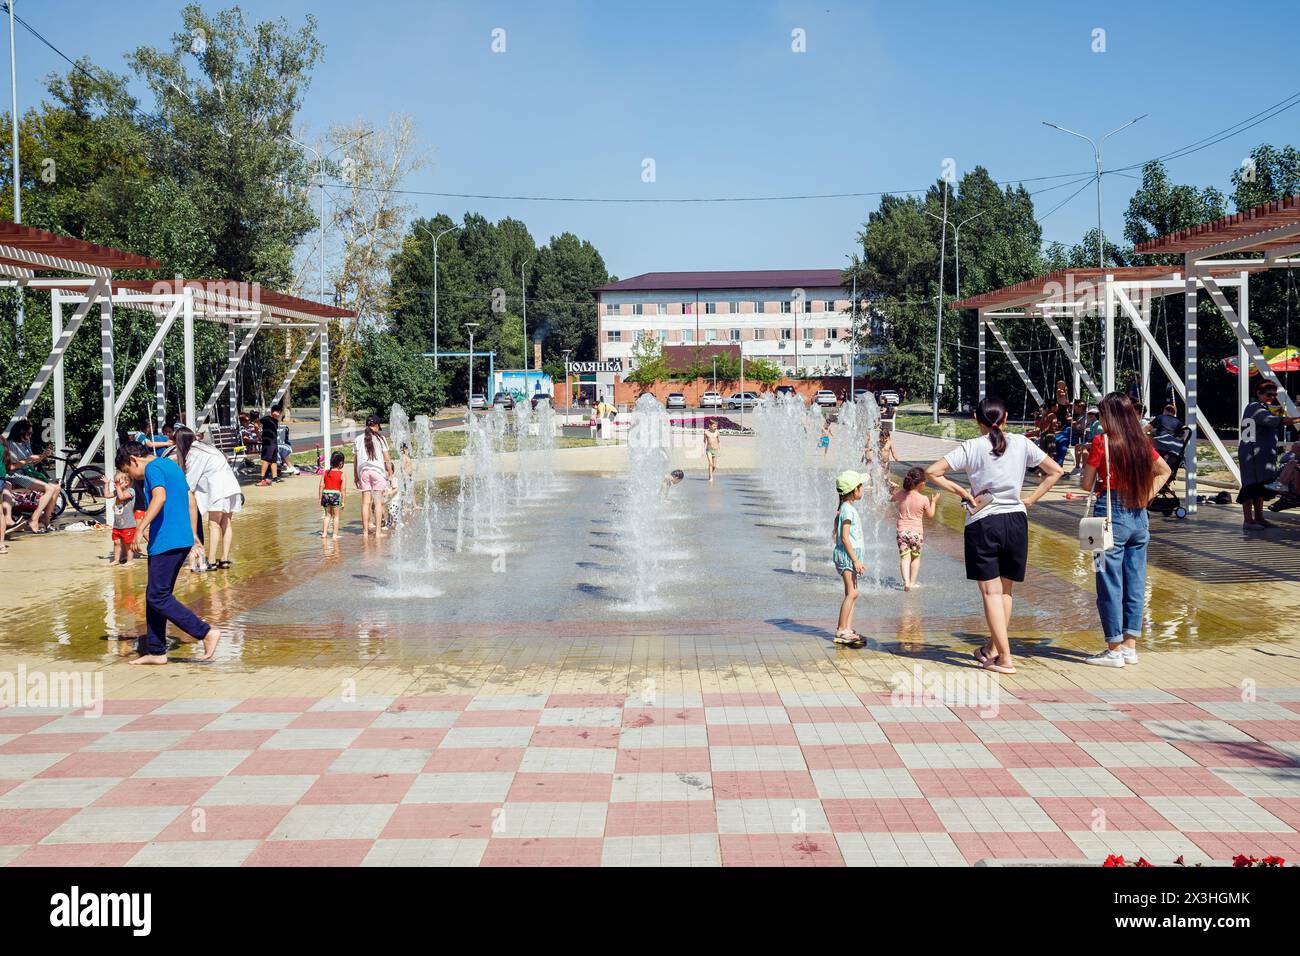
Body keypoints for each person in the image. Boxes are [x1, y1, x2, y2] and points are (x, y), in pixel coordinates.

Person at [925, 397, 1064, 675]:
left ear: (977, 420)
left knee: (990, 593)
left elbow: (932, 472)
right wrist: (1031, 499)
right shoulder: (1022, 443)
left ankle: (1006, 658)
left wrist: (963, 493)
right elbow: (1056, 471)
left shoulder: (972, 447)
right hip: (1016, 521)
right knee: (1005, 592)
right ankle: (991, 649)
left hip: (984, 522)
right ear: (1007, 417)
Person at [1080, 392, 1171, 667]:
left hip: (1108, 515)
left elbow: (1086, 485)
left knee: (1107, 581)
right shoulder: (1143, 443)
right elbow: (1164, 471)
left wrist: (1089, 462)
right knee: (1135, 581)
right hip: (1139, 516)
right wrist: (1147, 496)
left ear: (1111, 416)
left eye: (1102, 414)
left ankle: (1113, 649)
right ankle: (1130, 646)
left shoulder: (1102, 442)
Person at [114, 440, 221, 665]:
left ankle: (205, 632)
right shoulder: (170, 465)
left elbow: (160, 497)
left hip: (167, 540)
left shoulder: (153, 468)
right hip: (179, 538)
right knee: (155, 595)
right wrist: (192, 535)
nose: (132, 477)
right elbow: (190, 500)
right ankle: (156, 651)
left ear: (133, 460)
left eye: (128, 471)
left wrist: (140, 527)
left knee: (157, 596)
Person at [173, 426, 243, 571]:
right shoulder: (207, 447)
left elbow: (190, 482)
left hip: (218, 490)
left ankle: (210, 562)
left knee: (214, 525)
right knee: (227, 523)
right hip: (231, 487)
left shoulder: (194, 453)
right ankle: (224, 559)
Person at [1238, 379, 1298, 530]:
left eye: (1274, 395)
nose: (1272, 397)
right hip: (1251, 454)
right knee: (1250, 486)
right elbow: (1276, 421)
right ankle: (1248, 520)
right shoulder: (1255, 407)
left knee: (1260, 487)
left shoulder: (1263, 407)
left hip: (1261, 455)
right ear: (1258, 393)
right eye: (1268, 394)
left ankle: (1259, 518)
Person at [3, 419, 60, 535]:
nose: (30, 436)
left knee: (56, 487)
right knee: (50, 488)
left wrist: (43, 456)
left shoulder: (26, 443)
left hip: (27, 472)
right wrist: (27, 460)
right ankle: (34, 519)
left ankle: (46, 519)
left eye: (31, 434)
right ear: (20, 432)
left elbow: (31, 462)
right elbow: (10, 468)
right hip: (15, 475)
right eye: (28, 433)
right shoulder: (9, 445)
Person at [831, 470, 867, 647]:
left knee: (852, 594)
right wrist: (855, 560)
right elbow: (845, 538)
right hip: (847, 556)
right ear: (854, 490)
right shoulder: (847, 510)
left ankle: (848, 628)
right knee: (852, 593)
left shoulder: (847, 508)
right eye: (861, 486)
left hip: (850, 555)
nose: (863, 489)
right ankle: (840, 629)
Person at [892, 466, 936, 592]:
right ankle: (912, 582)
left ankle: (905, 581)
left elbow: (890, 499)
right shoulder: (924, 499)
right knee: (915, 558)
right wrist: (933, 502)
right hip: (916, 533)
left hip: (902, 532)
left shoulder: (900, 494)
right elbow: (931, 515)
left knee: (904, 558)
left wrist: (892, 491)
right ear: (921, 484)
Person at [354, 415, 393, 537]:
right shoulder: (381, 439)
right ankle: (378, 532)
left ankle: (365, 532)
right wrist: (390, 474)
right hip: (377, 472)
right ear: (376, 426)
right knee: (377, 503)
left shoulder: (358, 439)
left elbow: (355, 460)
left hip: (363, 472)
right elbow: (387, 459)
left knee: (365, 503)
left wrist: (356, 476)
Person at [107, 471, 137, 566]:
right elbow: (107, 495)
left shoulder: (131, 491)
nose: (116, 485)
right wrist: (106, 484)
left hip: (128, 524)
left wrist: (118, 488)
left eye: (118, 482)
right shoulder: (118, 491)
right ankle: (116, 559)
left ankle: (130, 560)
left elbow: (121, 497)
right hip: (117, 524)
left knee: (128, 543)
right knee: (116, 542)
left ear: (127, 482)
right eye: (115, 482)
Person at [319, 450, 346, 538]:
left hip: (325, 494)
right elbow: (343, 489)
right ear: (341, 463)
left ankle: (324, 533)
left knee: (327, 515)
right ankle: (335, 535)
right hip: (335, 495)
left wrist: (320, 498)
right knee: (336, 516)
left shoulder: (326, 472)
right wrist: (343, 501)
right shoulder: (342, 474)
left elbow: (321, 485)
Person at [257, 404, 283, 486]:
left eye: (279, 412)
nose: (278, 414)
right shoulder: (267, 418)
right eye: (277, 412)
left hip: (274, 442)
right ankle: (262, 478)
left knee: (273, 461)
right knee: (266, 460)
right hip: (268, 443)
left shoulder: (275, 421)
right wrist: (258, 433)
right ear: (272, 412)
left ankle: (275, 477)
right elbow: (257, 422)